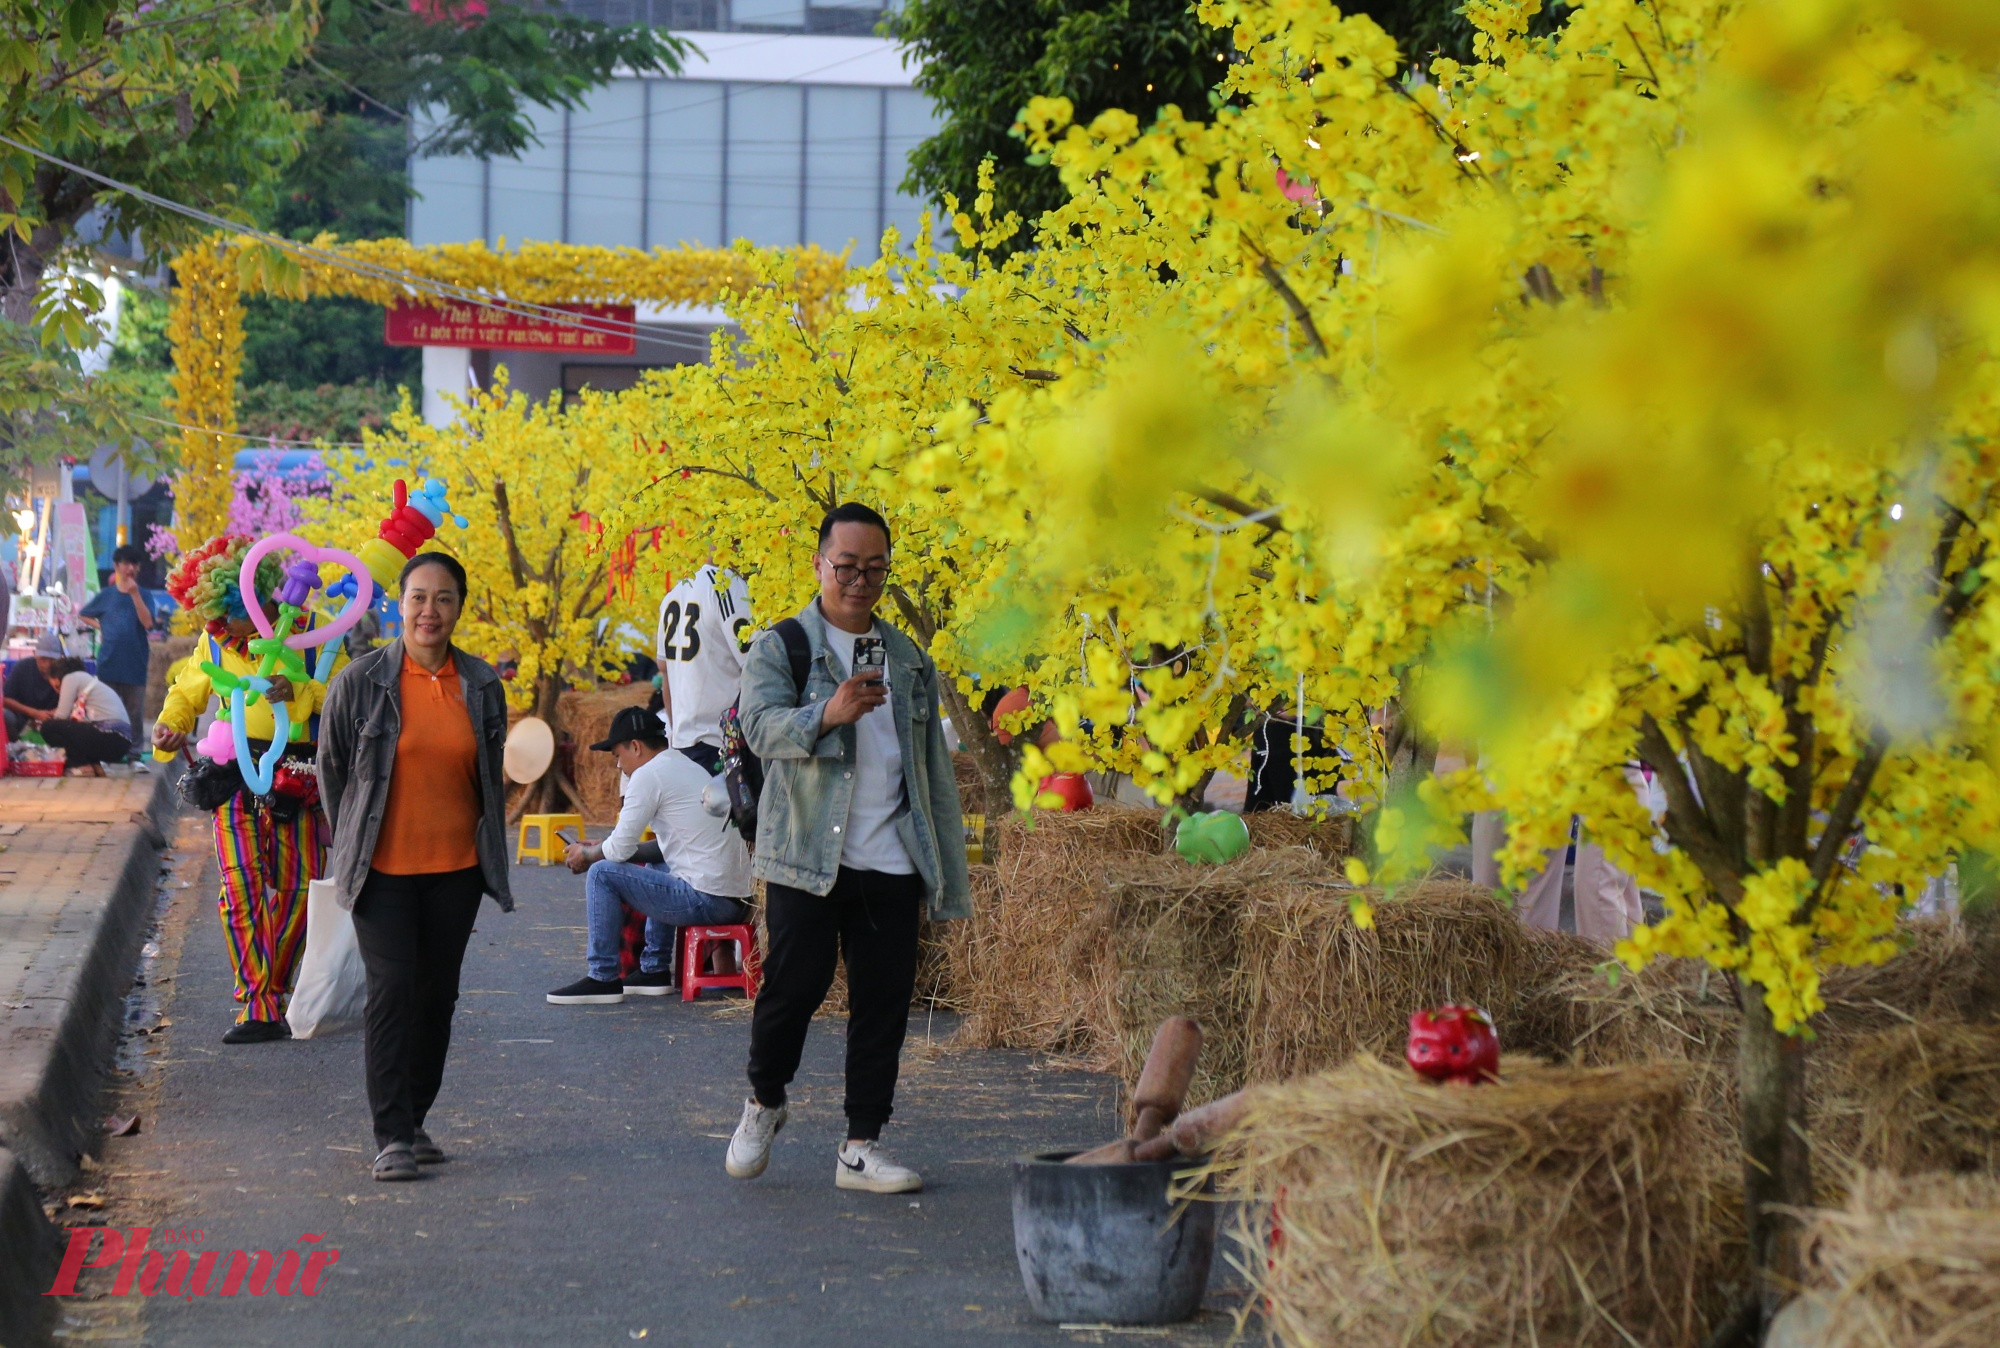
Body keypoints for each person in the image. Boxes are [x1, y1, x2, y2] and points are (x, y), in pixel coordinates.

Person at [726, 503, 970, 1195]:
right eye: (846, 567)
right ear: (818, 565)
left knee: (882, 1004)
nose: (859, 582)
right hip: (809, 852)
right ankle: (764, 1100)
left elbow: (929, 770)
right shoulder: (784, 646)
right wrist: (827, 714)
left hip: (890, 858)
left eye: (874, 570)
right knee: (791, 991)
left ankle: (861, 1145)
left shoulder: (907, 657)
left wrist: (945, 868)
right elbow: (761, 729)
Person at [319, 553, 512, 1183]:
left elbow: (486, 774)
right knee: (394, 992)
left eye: (444, 599)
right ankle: (391, 1135)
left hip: (456, 869)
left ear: (459, 607)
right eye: (418, 598)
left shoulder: (482, 684)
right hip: (383, 871)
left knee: (437, 997)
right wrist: (358, 840)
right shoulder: (360, 681)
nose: (430, 611)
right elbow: (336, 775)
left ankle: (416, 1118)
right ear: (398, 604)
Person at [154, 536, 346, 1045]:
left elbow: (348, 693)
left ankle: (271, 990)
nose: (216, 628)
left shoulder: (312, 630)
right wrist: (172, 723)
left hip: (297, 774)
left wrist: (299, 690)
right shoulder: (213, 640)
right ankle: (258, 1004)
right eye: (209, 617)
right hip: (233, 769)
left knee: (301, 890)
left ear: (255, 602)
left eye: (225, 617)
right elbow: (187, 691)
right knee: (239, 887)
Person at [545, 705, 754, 1004]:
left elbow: (616, 851)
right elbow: (660, 848)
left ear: (635, 746)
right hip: (734, 899)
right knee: (655, 858)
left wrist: (589, 855)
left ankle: (603, 977)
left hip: (708, 899)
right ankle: (654, 969)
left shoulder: (648, 775)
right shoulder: (685, 766)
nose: (618, 766)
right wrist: (599, 847)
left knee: (601, 874)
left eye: (618, 756)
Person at [656, 562, 755, 769]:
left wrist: (677, 734)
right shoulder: (726, 584)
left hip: (684, 743)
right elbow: (758, 664)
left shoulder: (674, 592)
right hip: (721, 743)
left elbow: (664, 671)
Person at [78, 544, 154, 741]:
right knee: (105, 710)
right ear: (116, 566)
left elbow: (147, 623)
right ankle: (107, 749)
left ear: (138, 568)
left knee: (134, 712)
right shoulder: (107, 595)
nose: (130, 568)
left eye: (134, 564)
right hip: (109, 662)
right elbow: (83, 614)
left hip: (135, 663)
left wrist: (135, 594)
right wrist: (101, 626)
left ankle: (135, 753)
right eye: (126, 563)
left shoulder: (144, 594)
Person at [40, 657, 133, 773]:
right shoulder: (87, 681)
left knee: (48, 727)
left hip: (110, 736)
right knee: (74, 730)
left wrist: (44, 718)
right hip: (121, 743)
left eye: (57, 687)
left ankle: (81, 765)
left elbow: (61, 717)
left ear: (58, 677)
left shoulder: (70, 678)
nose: (58, 691)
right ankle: (93, 765)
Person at [3, 634, 63, 739]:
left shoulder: (64, 670)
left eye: (52, 660)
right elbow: (6, 699)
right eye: (43, 659)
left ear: (60, 657)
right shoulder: (22, 667)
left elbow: (76, 702)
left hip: (53, 718)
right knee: (5, 715)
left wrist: (55, 713)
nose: (47, 664)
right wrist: (34, 713)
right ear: (34, 654)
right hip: (23, 716)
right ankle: (15, 746)